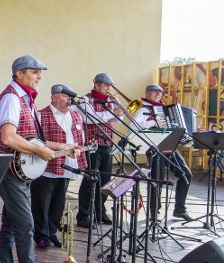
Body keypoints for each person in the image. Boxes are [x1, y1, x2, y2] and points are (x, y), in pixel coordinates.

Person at [0, 55, 62, 263]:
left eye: (40, 72)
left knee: (11, 224)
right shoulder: (11, 98)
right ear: (19, 74)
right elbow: (8, 137)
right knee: (26, 225)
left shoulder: (25, 100)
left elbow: (31, 138)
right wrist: (41, 151)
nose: (39, 76)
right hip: (9, 171)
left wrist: (63, 145)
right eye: (34, 72)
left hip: (17, 170)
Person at [31, 84, 87, 248]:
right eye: (64, 96)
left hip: (65, 166)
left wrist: (77, 149)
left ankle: (51, 232)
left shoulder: (76, 115)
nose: (68, 99)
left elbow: (79, 138)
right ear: (54, 97)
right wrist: (62, 146)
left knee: (58, 203)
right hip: (45, 167)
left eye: (69, 96)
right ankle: (41, 235)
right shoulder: (41, 115)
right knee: (42, 203)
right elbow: (36, 141)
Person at [132, 84, 193, 221]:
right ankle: (154, 213)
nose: (158, 94)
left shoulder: (165, 109)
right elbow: (133, 125)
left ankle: (180, 209)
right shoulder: (142, 108)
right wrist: (153, 122)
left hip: (169, 145)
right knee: (156, 180)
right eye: (155, 92)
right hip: (154, 147)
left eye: (160, 92)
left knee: (186, 174)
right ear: (147, 93)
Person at [76, 73, 123, 228]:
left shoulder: (109, 102)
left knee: (105, 180)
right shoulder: (85, 100)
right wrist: (110, 113)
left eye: (110, 86)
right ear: (97, 85)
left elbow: (116, 120)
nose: (109, 88)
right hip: (92, 145)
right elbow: (89, 119)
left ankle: (99, 211)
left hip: (107, 144)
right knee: (90, 179)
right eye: (106, 85)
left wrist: (118, 109)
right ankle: (83, 214)